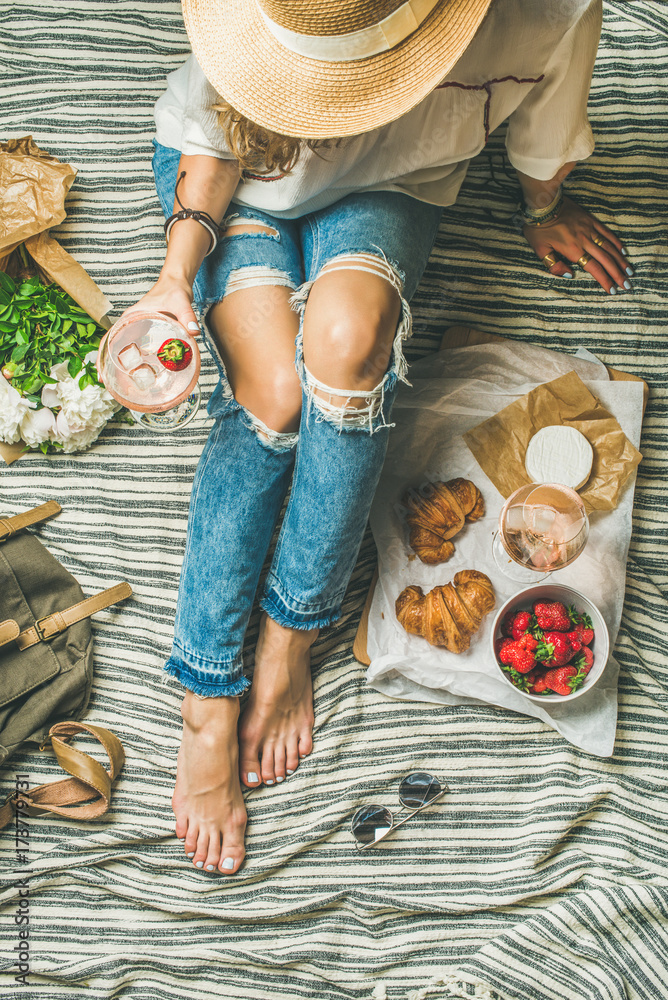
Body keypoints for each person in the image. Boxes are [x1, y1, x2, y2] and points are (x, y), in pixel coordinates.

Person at [127, 0, 630, 876]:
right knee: (274, 397)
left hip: (393, 180)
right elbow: (214, 130)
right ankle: (207, 693)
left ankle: (288, 641)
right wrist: (175, 278)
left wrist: (542, 204)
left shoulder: (541, 10)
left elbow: (547, 114)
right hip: (232, 180)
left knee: (346, 350)